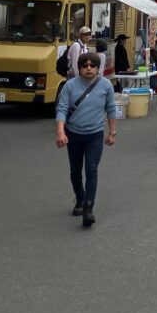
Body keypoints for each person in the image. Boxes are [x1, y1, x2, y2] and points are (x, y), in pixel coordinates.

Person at [55, 51, 117, 227]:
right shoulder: (69, 85)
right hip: (74, 135)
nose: (89, 68)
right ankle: (80, 199)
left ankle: (88, 208)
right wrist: (61, 132)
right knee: (75, 171)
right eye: (85, 65)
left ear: (98, 68)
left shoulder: (106, 85)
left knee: (91, 170)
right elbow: (62, 108)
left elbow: (111, 109)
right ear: (79, 68)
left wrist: (112, 133)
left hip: (95, 135)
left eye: (93, 65)